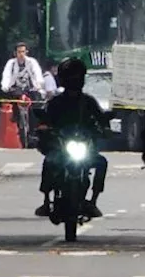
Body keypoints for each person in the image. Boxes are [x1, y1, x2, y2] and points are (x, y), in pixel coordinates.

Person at [34, 58, 109, 218]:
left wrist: (104, 128)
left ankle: (93, 201)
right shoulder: (55, 102)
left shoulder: (88, 102)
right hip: (61, 147)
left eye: (77, 77)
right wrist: (44, 129)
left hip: (84, 146)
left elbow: (101, 118)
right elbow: (44, 119)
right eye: (71, 77)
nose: (74, 81)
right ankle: (47, 201)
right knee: (49, 162)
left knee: (101, 162)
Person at [1, 43, 45, 147]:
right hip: (16, 90)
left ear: (26, 52)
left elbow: (37, 73)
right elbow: (6, 75)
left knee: (36, 108)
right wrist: (5, 86)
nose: (21, 54)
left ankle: (34, 130)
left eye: (23, 52)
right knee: (14, 104)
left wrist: (39, 84)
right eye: (19, 52)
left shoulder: (31, 62)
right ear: (15, 53)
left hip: (30, 89)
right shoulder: (11, 63)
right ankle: (17, 118)